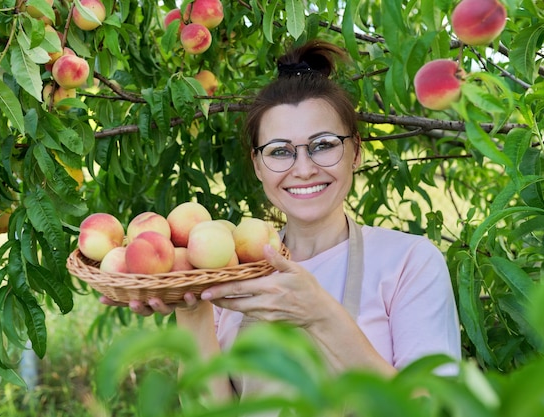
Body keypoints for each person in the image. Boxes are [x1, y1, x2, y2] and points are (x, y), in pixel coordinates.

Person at [101, 39, 461, 404]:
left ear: (355, 149)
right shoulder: (232, 267)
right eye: (279, 152)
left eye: (323, 144)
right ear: (258, 165)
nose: (303, 169)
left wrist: (320, 316)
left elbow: (435, 408)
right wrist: (193, 311)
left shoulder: (409, 263)